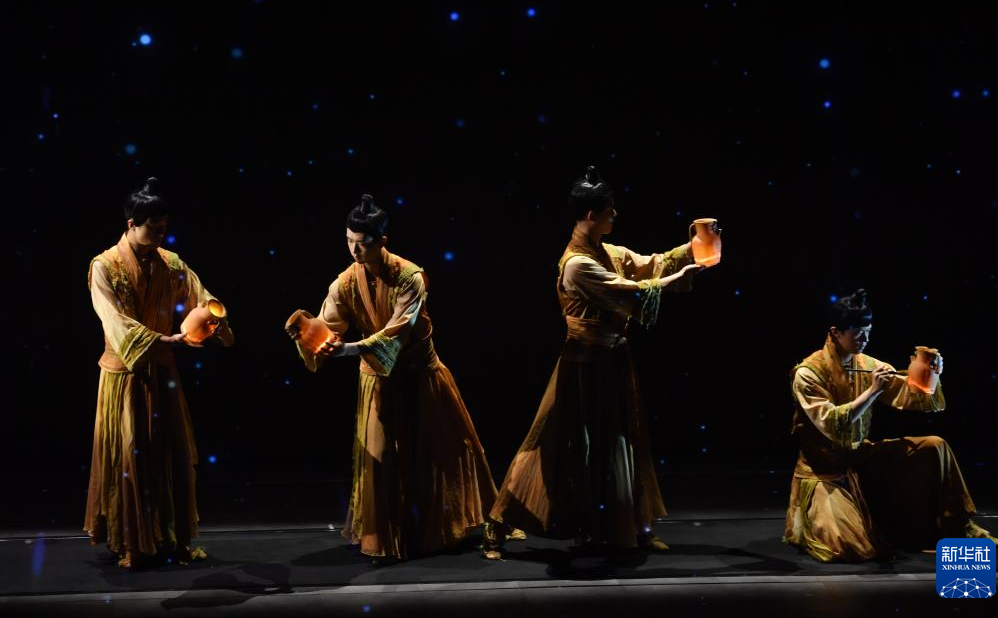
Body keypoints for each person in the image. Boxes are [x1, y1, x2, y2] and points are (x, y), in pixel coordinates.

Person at [485, 166, 705, 558]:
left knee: (622, 442)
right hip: (582, 365)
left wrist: (692, 248)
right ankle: (500, 522)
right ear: (591, 215)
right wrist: (675, 279)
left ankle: (629, 526)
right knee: (555, 441)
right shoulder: (576, 264)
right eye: (609, 210)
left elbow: (650, 264)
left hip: (613, 361)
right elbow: (630, 290)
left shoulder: (609, 252)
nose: (615, 214)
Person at [287, 194, 512, 562]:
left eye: (362, 243)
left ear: (382, 240)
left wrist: (349, 349)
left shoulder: (411, 277)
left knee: (433, 457)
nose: (355, 250)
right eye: (349, 241)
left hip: (419, 375)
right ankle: (391, 536)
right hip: (377, 380)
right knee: (382, 463)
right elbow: (330, 323)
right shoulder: (345, 282)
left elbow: (398, 330)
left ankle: (434, 533)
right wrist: (310, 335)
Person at [783, 288, 998, 562]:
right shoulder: (808, 373)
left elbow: (913, 395)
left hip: (860, 458)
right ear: (836, 333)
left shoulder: (868, 364)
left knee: (933, 446)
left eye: (868, 332)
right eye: (857, 333)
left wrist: (931, 374)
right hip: (825, 471)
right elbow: (831, 423)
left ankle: (952, 524)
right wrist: (873, 390)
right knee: (847, 546)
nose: (865, 339)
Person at [85, 177, 234, 570]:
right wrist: (163, 340)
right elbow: (115, 322)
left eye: (164, 230)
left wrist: (212, 319)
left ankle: (171, 536)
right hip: (124, 373)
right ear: (132, 224)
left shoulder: (172, 264)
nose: (159, 237)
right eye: (153, 229)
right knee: (130, 457)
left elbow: (201, 297)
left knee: (170, 454)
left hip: (164, 372)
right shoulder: (104, 266)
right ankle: (131, 542)